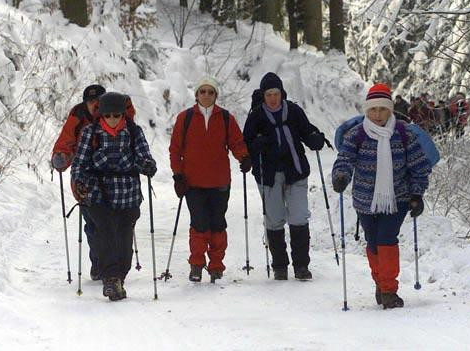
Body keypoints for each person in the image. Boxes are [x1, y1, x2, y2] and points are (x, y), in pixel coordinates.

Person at [331, 83, 431, 309]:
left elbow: (419, 166)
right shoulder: (356, 135)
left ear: (390, 110)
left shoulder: (404, 133)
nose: (378, 115)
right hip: (365, 199)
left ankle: (388, 290)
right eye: (373, 109)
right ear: (367, 110)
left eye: (383, 109)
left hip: (398, 199)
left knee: (386, 239)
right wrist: (341, 176)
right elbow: (344, 160)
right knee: (373, 242)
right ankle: (380, 281)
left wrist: (417, 193)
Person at [71, 92, 157, 301]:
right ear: (101, 115)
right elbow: (79, 164)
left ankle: (119, 276)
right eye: (107, 115)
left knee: (124, 238)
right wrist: (80, 183)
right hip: (98, 192)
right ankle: (110, 279)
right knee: (105, 231)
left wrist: (148, 165)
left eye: (116, 115)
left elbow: (144, 156)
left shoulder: (134, 132)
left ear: (123, 115)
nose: (112, 119)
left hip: (127, 193)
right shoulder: (90, 133)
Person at [243, 72, 326, 281]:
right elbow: (245, 144)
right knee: (274, 219)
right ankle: (280, 265)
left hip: (295, 171)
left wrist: (315, 139)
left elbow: (307, 132)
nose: (273, 98)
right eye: (269, 94)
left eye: (276, 93)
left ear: (282, 93)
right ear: (263, 95)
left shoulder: (294, 111)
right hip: (268, 175)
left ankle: (301, 266)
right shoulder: (256, 116)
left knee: (298, 216)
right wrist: (255, 147)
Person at [169, 77, 250, 283]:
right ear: (196, 95)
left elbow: (236, 142)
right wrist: (178, 174)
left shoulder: (225, 118)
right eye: (202, 91)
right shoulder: (184, 118)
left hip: (219, 181)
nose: (206, 95)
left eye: (210, 92)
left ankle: (216, 265)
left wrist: (244, 157)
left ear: (216, 95)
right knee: (199, 224)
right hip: (192, 182)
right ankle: (196, 264)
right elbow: (175, 149)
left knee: (217, 224)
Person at [51, 84, 106, 280]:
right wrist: (61, 157)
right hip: (85, 179)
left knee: (114, 224)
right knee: (92, 225)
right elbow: (66, 141)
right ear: (86, 104)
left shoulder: (116, 115)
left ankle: (112, 264)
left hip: (112, 179)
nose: (95, 105)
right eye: (91, 102)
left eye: (99, 100)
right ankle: (99, 262)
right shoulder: (78, 116)